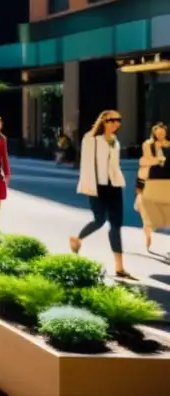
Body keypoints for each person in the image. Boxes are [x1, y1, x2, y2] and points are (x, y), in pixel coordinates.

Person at [71, 110, 133, 279]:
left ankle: (119, 267)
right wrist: (89, 186)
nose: (115, 123)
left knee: (116, 225)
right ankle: (77, 239)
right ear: (103, 121)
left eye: (118, 120)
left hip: (114, 186)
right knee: (99, 220)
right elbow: (86, 165)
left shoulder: (114, 140)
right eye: (111, 120)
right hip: (97, 187)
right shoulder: (91, 139)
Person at [137, 122, 170, 252]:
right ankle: (148, 235)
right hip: (151, 181)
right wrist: (159, 159)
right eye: (158, 133)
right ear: (154, 133)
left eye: (163, 133)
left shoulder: (169, 145)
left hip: (166, 181)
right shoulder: (148, 145)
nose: (161, 135)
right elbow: (146, 161)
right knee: (148, 212)